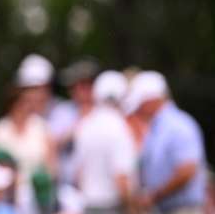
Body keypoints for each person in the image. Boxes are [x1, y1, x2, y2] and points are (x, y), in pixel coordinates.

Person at [124, 71, 207, 213]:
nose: (138, 111)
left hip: (183, 209)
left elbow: (187, 170)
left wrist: (155, 195)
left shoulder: (178, 125)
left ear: (151, 101)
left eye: (140, 105)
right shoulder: (158, 128)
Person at [0, 84, 57, 213]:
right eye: (22, 103)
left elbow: (52, 165)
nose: (25, 107)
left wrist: (45, 180)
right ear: (12, 104)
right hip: (6, 198)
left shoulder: (42, 128)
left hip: (37, 196)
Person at [72, 70, 136, 214]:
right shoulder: (120, 128)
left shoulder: (85, 125)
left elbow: (78, 174)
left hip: (88, 206)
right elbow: (122, 178)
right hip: (112, 207)